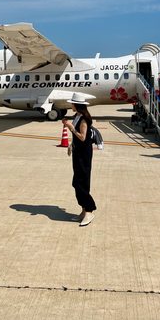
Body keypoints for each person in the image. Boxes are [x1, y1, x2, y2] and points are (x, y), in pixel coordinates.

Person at [62, 93, 97, 226]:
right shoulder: (76, 116)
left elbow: (82, 137)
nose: (71, 105)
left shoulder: (83, 119)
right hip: (77, 151)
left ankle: (89, 210)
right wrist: (71, 144)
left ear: (77, 105)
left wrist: (71, 128)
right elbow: (76, 138)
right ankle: (83, 210)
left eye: (72, 103)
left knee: (81, 181)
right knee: (77, 181)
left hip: (84, 154)